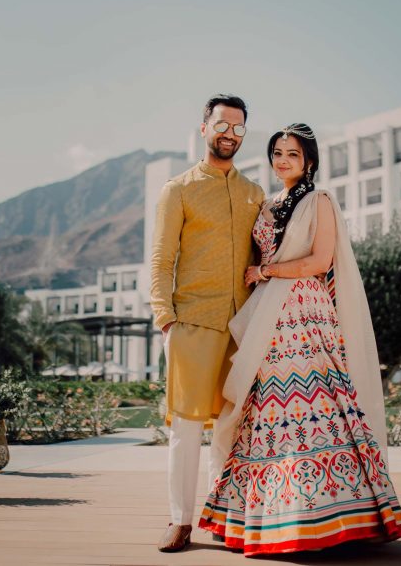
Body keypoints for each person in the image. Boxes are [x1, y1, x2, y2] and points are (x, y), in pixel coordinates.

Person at [200, 123, 401, 556]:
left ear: (308, 160)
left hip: (304, 312)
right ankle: (271, 517)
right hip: (267, 317)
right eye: (277, 152)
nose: (282, 160)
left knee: (313, 406)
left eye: (292, 154)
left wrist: (266, 272)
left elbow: (320, 260)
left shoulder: (319, 201)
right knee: (268, 410)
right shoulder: (265, 203)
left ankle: (332, 515)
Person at [150, 94, 266, 553]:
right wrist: (166, 321)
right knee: (185, 427)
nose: (229, 134)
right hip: (191, 323)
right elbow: (161, 260)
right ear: (204, 128)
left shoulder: (255, 193)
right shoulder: (177, 189)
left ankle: (224, 518)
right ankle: (180, 520)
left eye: (238, 128)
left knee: (231, 426)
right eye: (222, 125)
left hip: (243, 324)